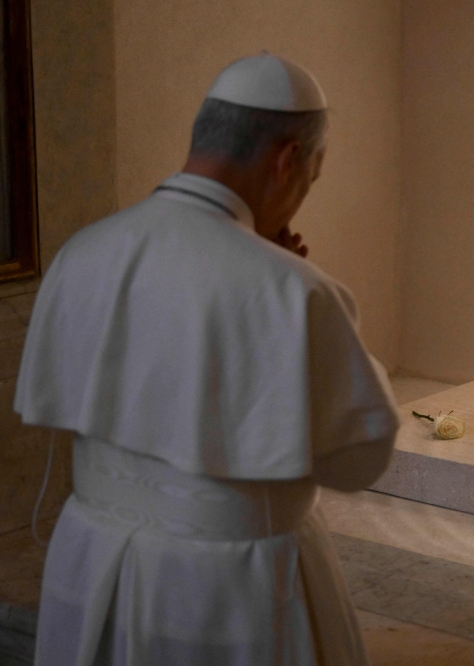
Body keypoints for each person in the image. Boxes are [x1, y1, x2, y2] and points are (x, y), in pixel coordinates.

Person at [14, 53, 399, 665]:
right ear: (286, 161)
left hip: (90, 562)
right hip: (227, 590)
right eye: (310, 179)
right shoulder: (296, 291)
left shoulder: (81, 252)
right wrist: (293, 272)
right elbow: (359, 458)